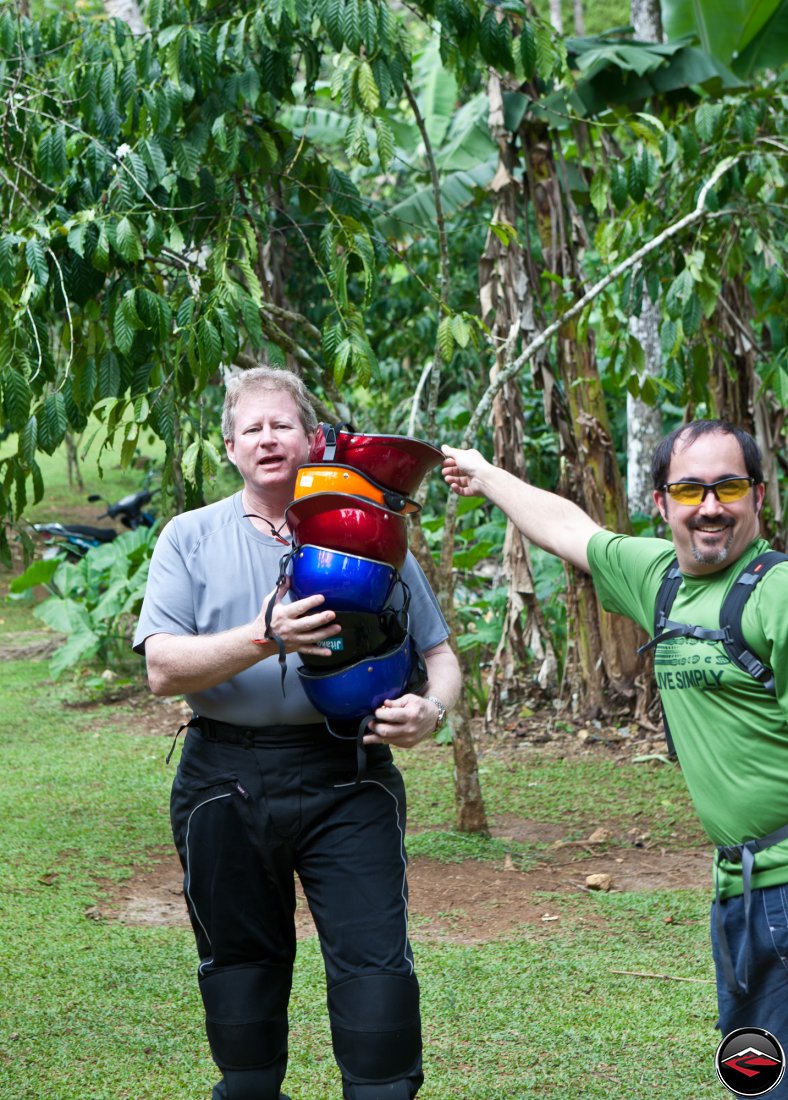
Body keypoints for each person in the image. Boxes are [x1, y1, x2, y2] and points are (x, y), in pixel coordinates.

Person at [133, 366, 461, 1100]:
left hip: (348, 774)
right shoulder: (188, 538)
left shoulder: (370, 528)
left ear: (315, 440)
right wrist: (263, 637)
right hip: (224, 779)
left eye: (282, 424)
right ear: (229, 447)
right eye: (251, 428)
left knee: (377, 982)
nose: (267, 438)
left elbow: (439, 657)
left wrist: (430, 713)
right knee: (240, 985)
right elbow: (160, 668)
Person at [443, 420, 788, 1082]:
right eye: (690, 489)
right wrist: (484, 474)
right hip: (738, 892)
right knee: (758, 1078)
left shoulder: (776, 596)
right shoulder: (658, 577)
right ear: (660, 503)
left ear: (759, 497)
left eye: (729, 487)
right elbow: (569, 530)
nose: (710, 506)